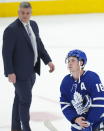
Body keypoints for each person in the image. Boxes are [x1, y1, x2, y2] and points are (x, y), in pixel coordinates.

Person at [2, 2, 55, 131]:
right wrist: (10, 72)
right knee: (25, 101)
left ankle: (15, 128)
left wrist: (48, 61)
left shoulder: (34, 25)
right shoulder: (11, 30)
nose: (25, 16)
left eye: (27, 13)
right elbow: (6, 53)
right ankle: (26, 128)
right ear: (18, 12)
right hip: (19, 74)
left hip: (31, 71)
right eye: (22, 13)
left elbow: (39, 45)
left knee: (19, 99)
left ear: (30, 13)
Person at [60, 49, 104, 131]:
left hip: (96, 120)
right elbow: (64, 103)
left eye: (73, 60)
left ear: (81, 63)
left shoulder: (91, 77)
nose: (69, 63)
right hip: (79, 122)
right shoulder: (66, 81)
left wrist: (89, 121)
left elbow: (102, 102)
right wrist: (75, 119)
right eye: (68, 61)